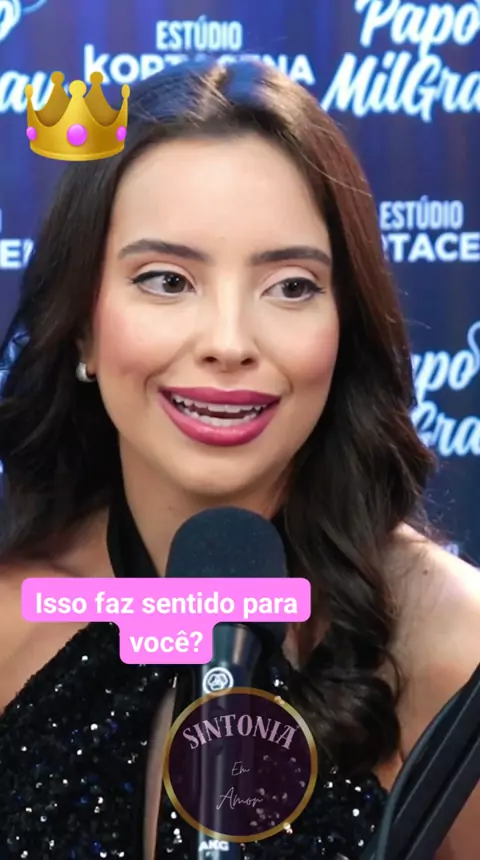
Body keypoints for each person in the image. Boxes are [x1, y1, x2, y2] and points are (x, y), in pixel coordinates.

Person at [0, 59, 478, 860]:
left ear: (344, 326)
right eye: (166, 280)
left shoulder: (455, 646)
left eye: (290, 286)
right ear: (82, 325)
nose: (228, 343)